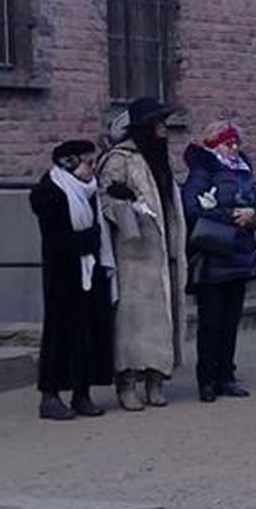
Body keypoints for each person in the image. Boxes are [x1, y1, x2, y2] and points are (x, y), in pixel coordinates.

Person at [98, 97, 187, 411]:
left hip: (164, 251)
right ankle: (127, 381)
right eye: (158, 124)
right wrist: (124, 205)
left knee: (161, 319)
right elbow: (105, 200)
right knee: (133, 321)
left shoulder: (160, 159)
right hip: (134, 254)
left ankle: (156, 377)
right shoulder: (121, 158)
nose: (164, 130)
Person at [30, 140, 115, 420]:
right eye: (88, 163)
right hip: (63, 273)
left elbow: (95, 229)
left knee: (89, 330)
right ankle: (50, 395)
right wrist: (83, 241)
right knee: (60, 332)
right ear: (70, 163)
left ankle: (82, 392)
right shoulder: (51, 191)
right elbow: (56, 237)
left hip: (90, 269)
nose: (93, 169)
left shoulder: (89, 191)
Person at [182, 122, 256, 403]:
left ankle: (226, 374)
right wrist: (229, 217)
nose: (234, 148)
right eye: (228, 143)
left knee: (230, 322)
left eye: (236, 143)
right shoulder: (204, 170)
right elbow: (191, 206)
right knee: (211, 322)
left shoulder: (244, 169)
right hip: (214, 255)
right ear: (215, 144)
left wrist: (253, 214)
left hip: (240, 254)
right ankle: (207, 379)